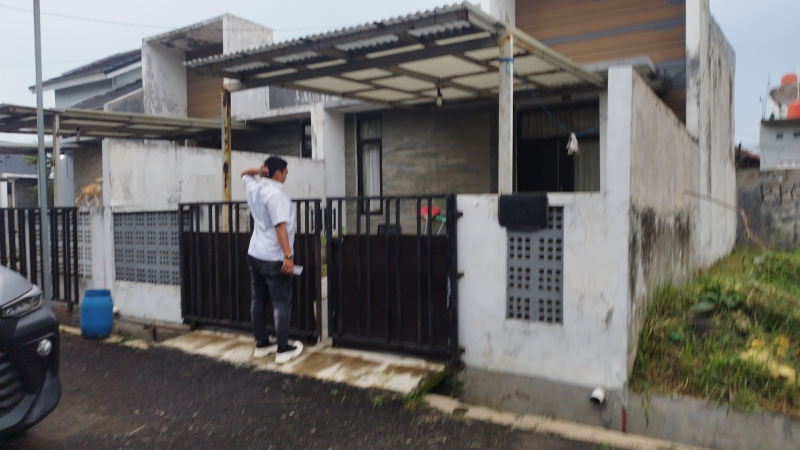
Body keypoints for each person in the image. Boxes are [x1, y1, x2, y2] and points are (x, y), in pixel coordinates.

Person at [241, 157, 303, 364]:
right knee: (281, 303)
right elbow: (280, 226)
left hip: (255, 254)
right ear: (278, 173)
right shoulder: (276, 195)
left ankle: (262, 344)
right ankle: (283, 349)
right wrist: (288, 256)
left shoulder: (255, 188)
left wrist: (257, 170)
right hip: (274, 257)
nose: (286, 176)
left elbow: (244, 174)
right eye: (285, 172)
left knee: (258, 300)